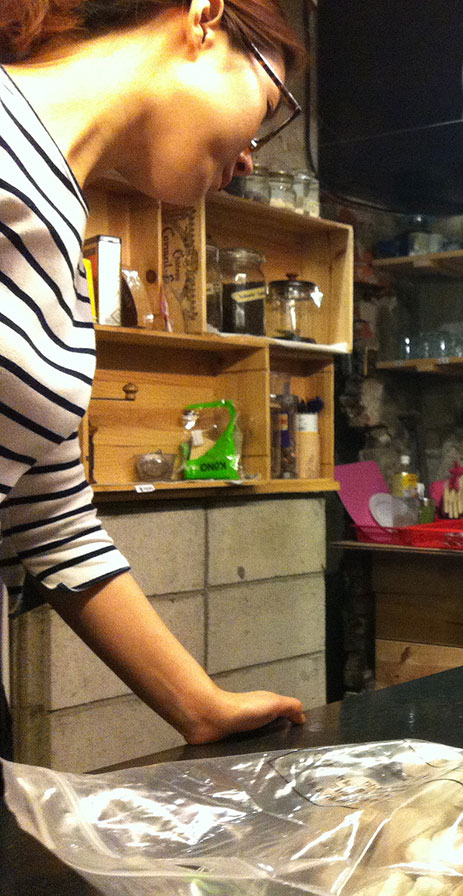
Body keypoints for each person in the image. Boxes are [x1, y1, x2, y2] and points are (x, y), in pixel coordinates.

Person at [0, 0, 309, 763]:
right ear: (203, 18)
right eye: (269, 105)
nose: (250, 159)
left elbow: (50, 518)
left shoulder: (57, 220)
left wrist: (200, 707)